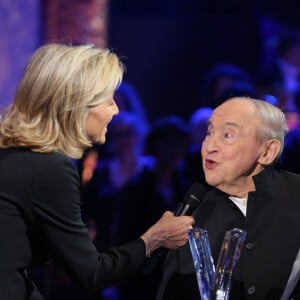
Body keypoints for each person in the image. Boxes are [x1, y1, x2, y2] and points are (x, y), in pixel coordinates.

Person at [0, 43, 194, 300]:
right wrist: (154, 239)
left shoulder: (14, 156)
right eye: (108, 100)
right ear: (78, 104)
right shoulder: (50, 168)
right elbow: (91, 273)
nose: (115, 110)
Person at [157, 97, 300, 300]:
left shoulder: (295, 196)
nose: (209, 146)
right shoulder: (191, 220)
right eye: (209, 133)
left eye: (227, 135)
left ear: (268, 152)